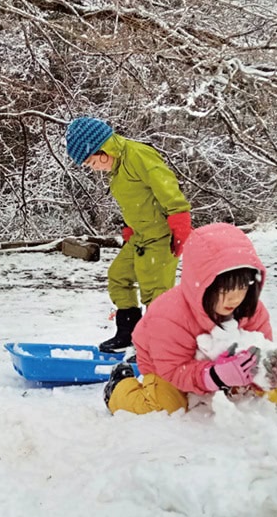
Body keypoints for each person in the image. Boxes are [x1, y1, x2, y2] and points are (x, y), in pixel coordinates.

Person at [102, 223, 277, 414]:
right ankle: (119, 387)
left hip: (228, 367)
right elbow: (174, 370)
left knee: (270, 396)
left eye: (242, 288)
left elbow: (261, 346)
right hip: (168, 366)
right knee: (168, 405)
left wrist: (270, 370)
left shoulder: (252, 310)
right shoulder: (169, 315)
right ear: (203, 284)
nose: (235, 298)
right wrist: (215, 376)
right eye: (224, 290)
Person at [65, 117, 193, 353]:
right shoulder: (117, 168)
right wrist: (129, 227)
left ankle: (157, 348)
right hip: (140, 237)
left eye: (91, 162)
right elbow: (136, 200)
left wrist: (180, 220)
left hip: (160, 236)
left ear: (102, 151)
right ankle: (129, 332)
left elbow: (165, 186)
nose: (93, 169)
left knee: (155, 292)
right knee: (118, 276)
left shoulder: (138, 156)